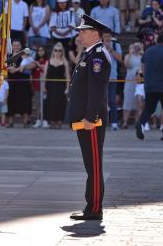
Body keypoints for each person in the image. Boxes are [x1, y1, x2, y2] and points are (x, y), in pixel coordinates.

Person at [67, 14, 112, 221]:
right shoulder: (89, 53)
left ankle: (94, 208)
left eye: (83, 31)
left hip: (91, 121)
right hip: (84, 119)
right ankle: (90, 206)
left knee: (93, 165)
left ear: (95, 34)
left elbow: (96, 91)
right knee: (89, 165)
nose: (80, 35)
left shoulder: (97, 56)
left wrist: (90, 117)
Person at [7, 41, 35, 128]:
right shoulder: (9, 56)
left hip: (24, 82)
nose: (16, 47)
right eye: (14, 45)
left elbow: (33, 65)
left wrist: (19, 68)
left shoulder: (25, 55)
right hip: (12, 82)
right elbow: (6, 67)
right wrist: (9, 69)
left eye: (18, 45)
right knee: (11, 101)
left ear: (21, 46)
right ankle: (10, 122)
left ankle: (25, 122)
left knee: (25, 102)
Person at [44, 42, 70, 129]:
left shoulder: (65, 62)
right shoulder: (48, 62)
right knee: (50, 103)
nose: (57, 52)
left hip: (61, 86)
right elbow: (44, 75)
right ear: (53, 51)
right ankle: (52, 121)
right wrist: (44, 86)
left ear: (62, 52)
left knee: (60, 103)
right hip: (50, 86)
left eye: (59, 51)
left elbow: (67, 76)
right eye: (55, 50)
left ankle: (59, 121)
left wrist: (67, 88)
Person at [102, 32, 122, 130]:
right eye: (105, 36)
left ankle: (114, 122)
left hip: (112, 77)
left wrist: (111, 50)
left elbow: (120, 59)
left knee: (112, 101)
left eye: (109, 36)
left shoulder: (116, 45)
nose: (107, 38)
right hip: (100, 79)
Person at [122, 42, 143, 128]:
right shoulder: (128, 56)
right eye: (135, 46)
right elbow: (127, 65)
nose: (137, 48)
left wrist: (143, 51)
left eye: (138, 46)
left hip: (140, 79)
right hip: (130, 80)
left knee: (139, 101)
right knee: (128, 100)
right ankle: (125, 122)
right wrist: (130, 54)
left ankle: (137, 121)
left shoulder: (142, 56)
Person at [32, 46, 49, 129]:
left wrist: (37, 64)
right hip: (37, 85)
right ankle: (38, 120)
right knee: (38, 104)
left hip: (45, 86)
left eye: (42, 50)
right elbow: (29, 66)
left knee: (45, 104)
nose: (41, 52)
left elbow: (44, 68)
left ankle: (45, 119)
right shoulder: (34, 61)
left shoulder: (47, 61)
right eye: (39, 50)